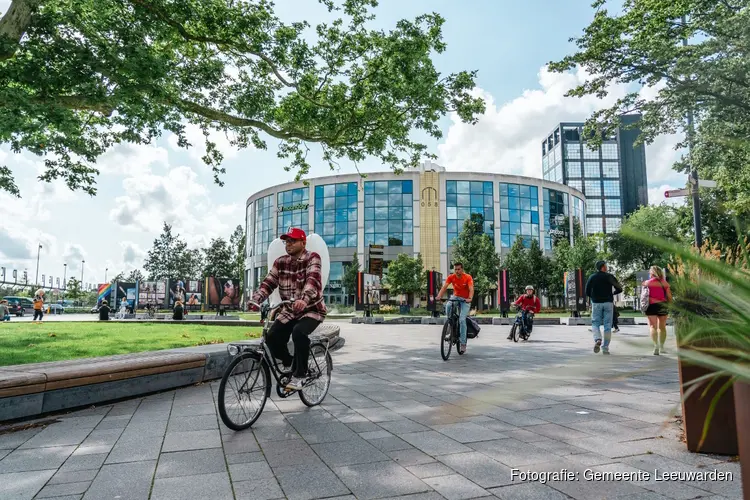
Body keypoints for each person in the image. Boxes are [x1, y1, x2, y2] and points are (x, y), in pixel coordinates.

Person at [251, 228, 326, 391]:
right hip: (290, 310)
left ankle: (300, 374)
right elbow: (269, 282)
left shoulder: (313, 258)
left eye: (293, 240)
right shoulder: (280, 262)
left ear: (303, 242)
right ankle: (289, 362)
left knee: (299, 332)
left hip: (312, 309)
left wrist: (304, 299)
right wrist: (256, 299)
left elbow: (313, 281)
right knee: (271, 337)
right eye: (287, 241)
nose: (289, 244)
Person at [585, 260, 623, 355]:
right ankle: (605, 348)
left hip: (596, 303)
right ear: (603, 267)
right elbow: (619, 288)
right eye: (606, 265)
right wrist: (613, 293)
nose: (607, 267)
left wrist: (593, 296)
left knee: (595, 323)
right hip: (608, 303)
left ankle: (598, 339)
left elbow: (587, 291)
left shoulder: (592, 277)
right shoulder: (609, 276)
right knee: (607, 326)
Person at [435, 262, 473, 354]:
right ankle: (450, 324)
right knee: (448, 305)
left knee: (462, 320)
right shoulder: (451, 277)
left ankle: (463, 343)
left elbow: (471, 289)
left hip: (465, 299)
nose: (457, 271)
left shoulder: (468, 277)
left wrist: (470, 298)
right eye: (455, 269)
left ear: (462, 269)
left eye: (459, 269)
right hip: (455, 297)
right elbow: (444, 287)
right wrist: (439, 296)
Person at [643, 265, 672, 355]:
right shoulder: (665, 283)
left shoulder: (647, 283)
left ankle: (656, 346)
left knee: (653, 326)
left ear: (652, 273)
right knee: (662, 327)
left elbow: (644, 296)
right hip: (662, 305)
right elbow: (669, 297)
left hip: (651, 306)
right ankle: (662, 347)